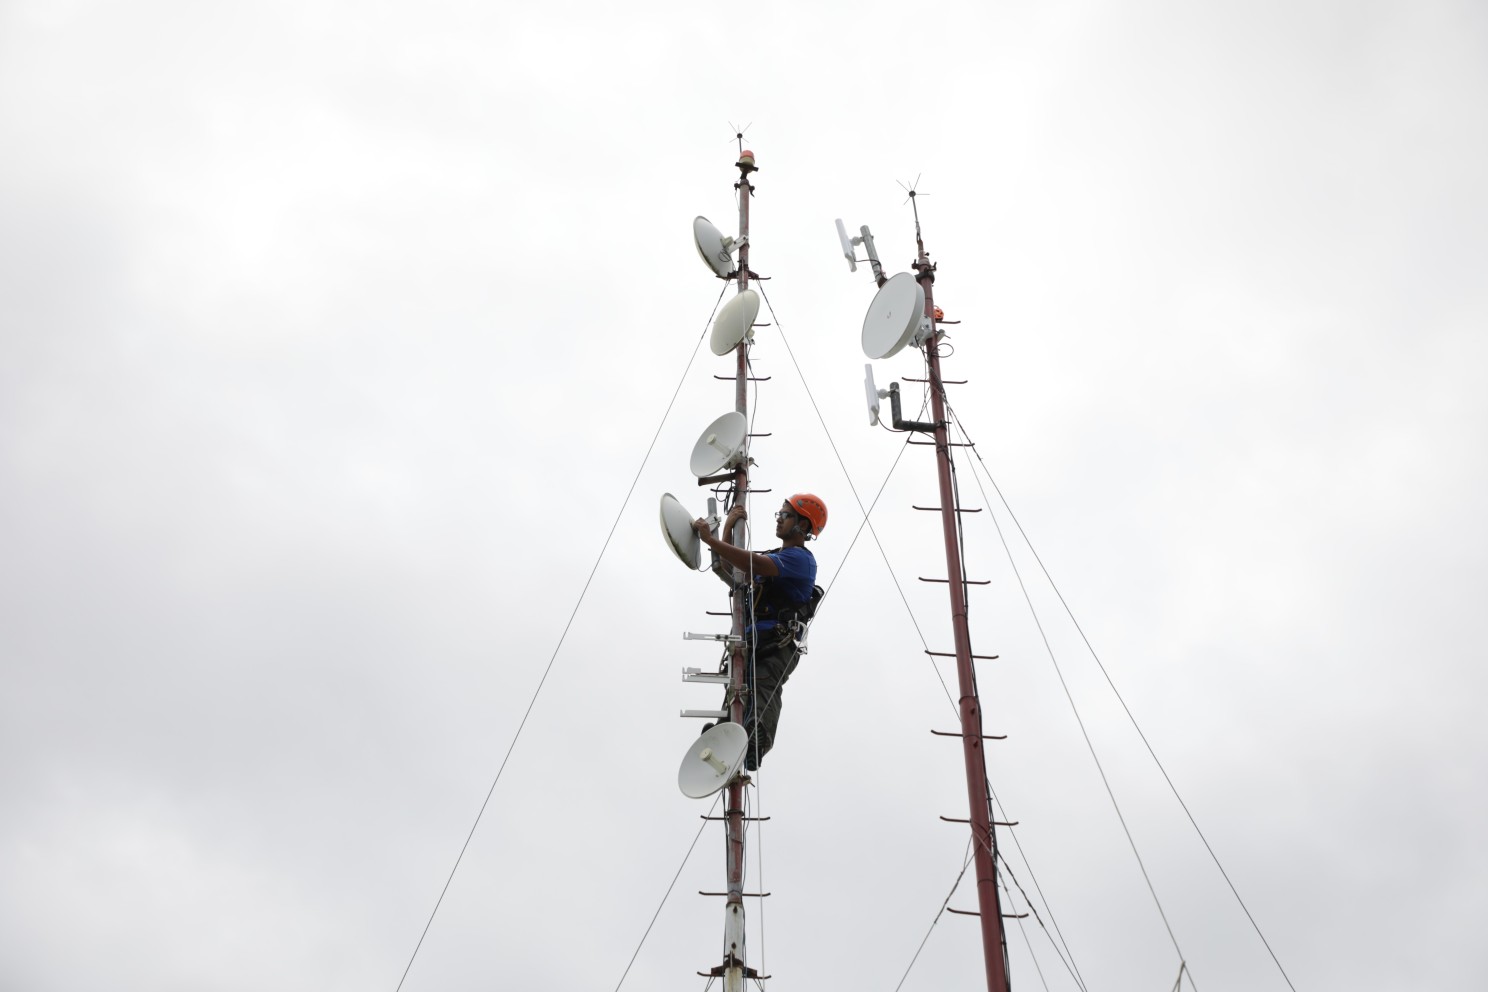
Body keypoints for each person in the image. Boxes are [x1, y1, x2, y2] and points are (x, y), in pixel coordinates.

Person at [693, 493, 827, 771]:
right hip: (754, 639)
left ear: (802, 525)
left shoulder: (800, 559)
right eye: (778, 514)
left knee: (762, 687)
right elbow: (732, 567)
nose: (779, 519)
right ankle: (724, 736)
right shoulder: (777, 556)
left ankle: (757, 741)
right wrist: (728, 528)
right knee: (739, 692)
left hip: (777, 643)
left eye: (785, 515)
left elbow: (753, 564)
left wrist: (711, 539)